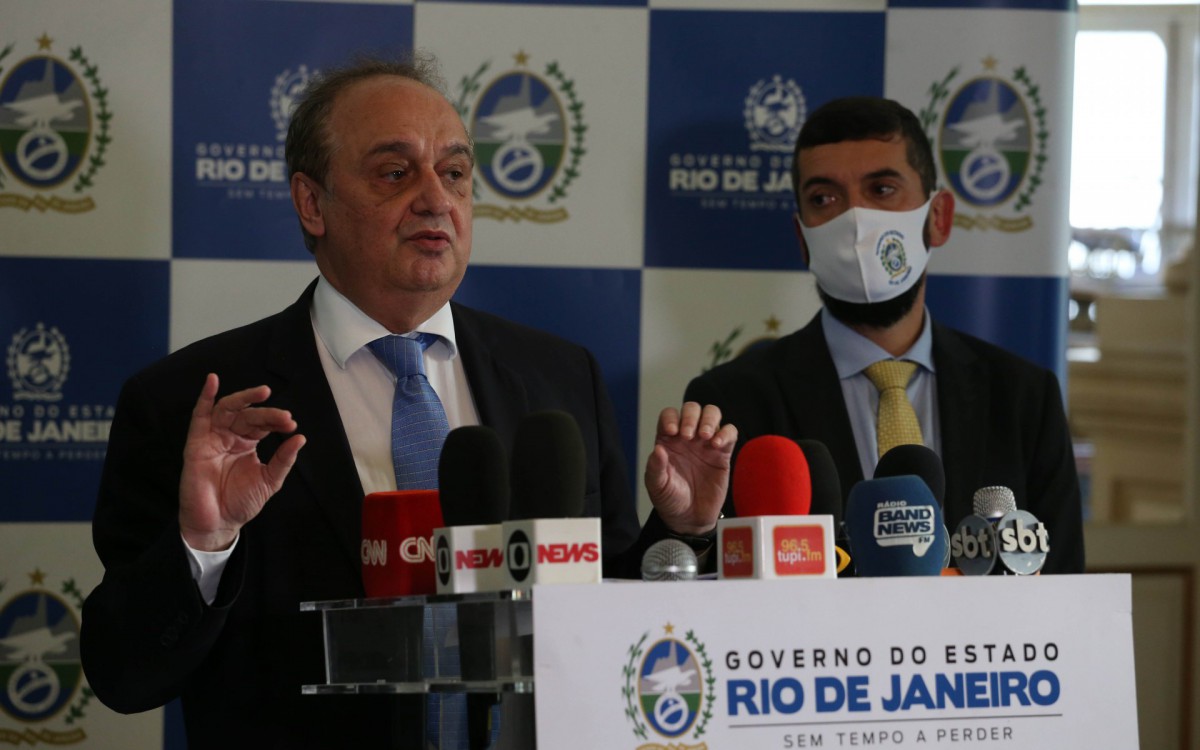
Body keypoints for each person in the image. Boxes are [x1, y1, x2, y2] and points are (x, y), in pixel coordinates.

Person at [80, 54, 731, 748]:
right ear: (311, 202)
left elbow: (610, 617)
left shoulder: (559, 377)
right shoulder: (193, 401)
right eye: (395, 172)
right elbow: (125, 677)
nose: (435, 198)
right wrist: (203, 546)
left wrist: (681, 531)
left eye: (453, 173)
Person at [683, 97, 1084, 575]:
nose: (855, 223)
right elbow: (708, 588)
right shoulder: (733, 400)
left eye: (882, 188)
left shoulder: (1024, 398)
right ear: (802, 238)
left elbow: (1063, 587)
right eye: (824, 199)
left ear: (939, 218)